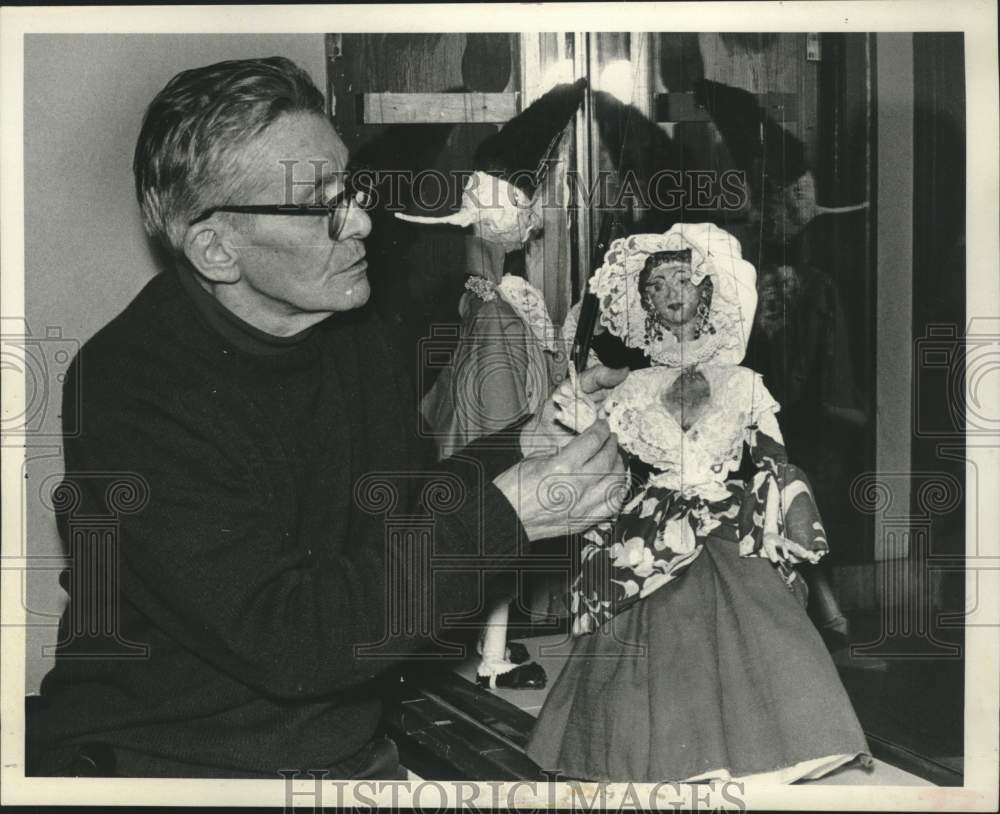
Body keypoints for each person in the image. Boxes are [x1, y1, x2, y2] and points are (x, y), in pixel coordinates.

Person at [25, 57, 628, 779]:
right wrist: (510, 515)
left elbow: (399, 514)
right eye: (321, 205)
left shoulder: (346, 329)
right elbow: (294, 639)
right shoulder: (133, 386)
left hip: (336, 751)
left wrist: (526, 442)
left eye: (352, 188)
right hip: (174, 769)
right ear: (216, 248)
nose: (363, 221)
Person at [527, 224, 871, 783]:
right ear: (645, 303)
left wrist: (798, 516)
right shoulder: (632, 388)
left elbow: (777, 458)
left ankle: (785, 748)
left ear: (705, 291)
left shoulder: (742, 383)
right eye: (657, 285)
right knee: (651, 639)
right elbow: (601, 453)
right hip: (652, 527)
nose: (671, 293)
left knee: (763, 627)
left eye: (682, 279)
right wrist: (584, 403)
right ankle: (665, 759)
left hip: (727, 518)